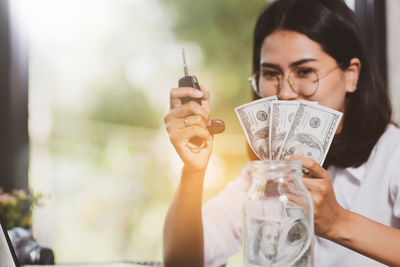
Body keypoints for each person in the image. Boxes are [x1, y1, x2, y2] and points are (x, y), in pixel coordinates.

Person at [163, 0, 400, 266]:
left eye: (305, 72)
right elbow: (181, 260)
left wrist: (338, 223)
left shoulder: (393, 155)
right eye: (271, 73)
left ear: (351, 75)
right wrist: (193, 172)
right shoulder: (264, 175)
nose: (285, 93)